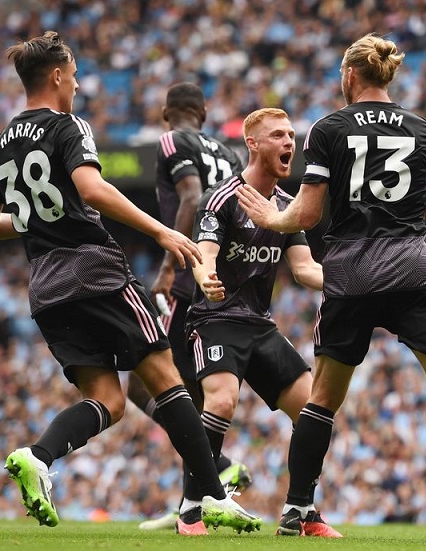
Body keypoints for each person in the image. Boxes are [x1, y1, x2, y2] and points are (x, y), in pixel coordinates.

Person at [236, 33, 426, 536]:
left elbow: (306, 212)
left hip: (350, 272)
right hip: (412, 266)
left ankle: (297, 508)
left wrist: (271, 215)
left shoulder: (329, 128)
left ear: (349, 76)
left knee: (322, 399)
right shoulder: (425, 130)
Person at [0, 31, 261, 536]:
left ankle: (38, 456)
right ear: (58, 75)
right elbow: (91, 187)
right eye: (76, 74)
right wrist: (161, 229)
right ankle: (213, 497)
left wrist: (39, 220)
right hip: (95, 271)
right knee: (165, 378)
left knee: (107, 400)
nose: (80, 84)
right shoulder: (67, 126)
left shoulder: (1, 142)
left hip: (46, 286)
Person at [185, 107, 341, 538]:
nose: (289, 142)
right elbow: (205, 255)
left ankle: (301, 512)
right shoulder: (221, 197)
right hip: (215, 318)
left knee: (314, 408)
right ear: (253, 144)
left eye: (291, 135)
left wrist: (356, 282)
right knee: (221, 400)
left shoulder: (289, 208)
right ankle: (191, 510)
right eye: (278, 135)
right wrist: (206, 277)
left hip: (259, 324)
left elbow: (306, 271)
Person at [129, 82, 251, 531]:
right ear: (204, 110)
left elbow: (191, 195)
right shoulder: (230, 152)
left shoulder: (171, 140)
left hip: (187, 281)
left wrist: (169, 265)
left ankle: (214, 469)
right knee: (192, 392)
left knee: (146, 385)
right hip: (227, 281)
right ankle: (196, 497)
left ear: (167, 113)